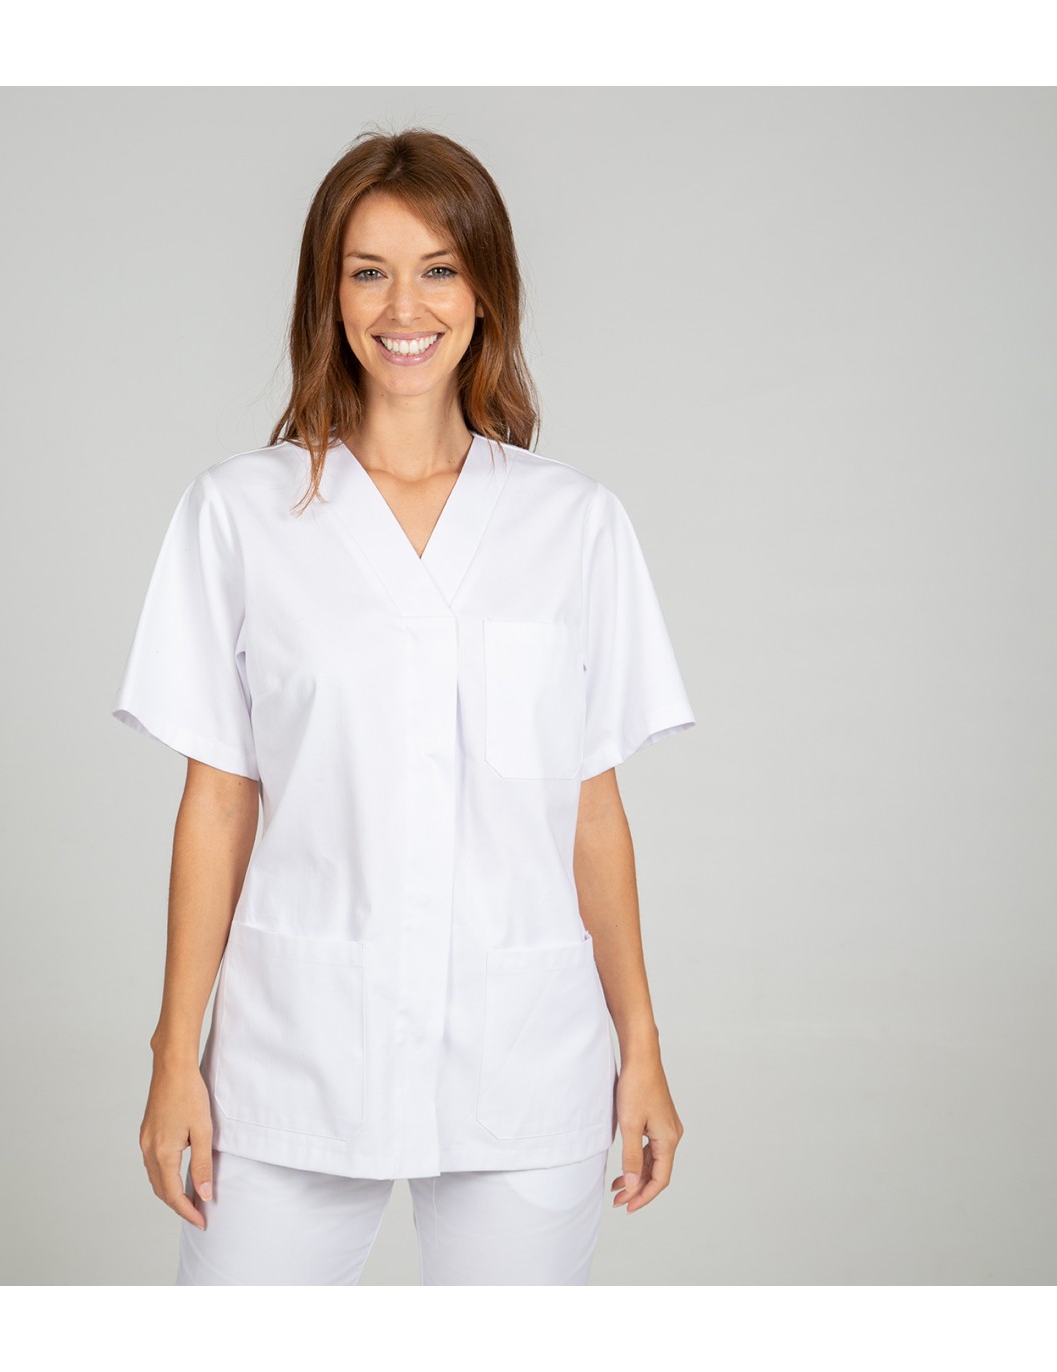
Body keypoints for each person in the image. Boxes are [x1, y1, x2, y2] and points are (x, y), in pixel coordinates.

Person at [110, 127, 697, 1286]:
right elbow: (218, 800)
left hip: (521, 1051)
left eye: (438, 268)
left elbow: (590, 806)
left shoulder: (573, 524)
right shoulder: (241, 515)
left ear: (485, 291)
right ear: (327, 295)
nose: (403, 307)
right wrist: (176, 1053)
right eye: (367, 271)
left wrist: (643, 1046)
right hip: (294, 1048)